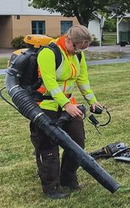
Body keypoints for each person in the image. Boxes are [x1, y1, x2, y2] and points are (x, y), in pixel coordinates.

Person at [30, 25, 103, 199]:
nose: (78, 51)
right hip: (46, 106)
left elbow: (82, 79)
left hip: (69, 104)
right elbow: (50, 83)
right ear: (68, 39)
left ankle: (67, 178)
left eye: (82, 48)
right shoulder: (49, 53)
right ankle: (51, 188)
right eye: (76, 47)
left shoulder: (78, 54)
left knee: (77, 142)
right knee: (48, 147)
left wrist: (92, 101)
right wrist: (65, 105)